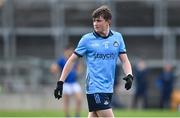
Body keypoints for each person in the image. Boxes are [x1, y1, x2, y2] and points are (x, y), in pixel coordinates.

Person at [54, 5, 133, 117]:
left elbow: (125, 60)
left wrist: (129, 75)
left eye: (99, 21)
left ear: (108, 21)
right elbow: (71, 60)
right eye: (94, 21)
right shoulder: (87, 40)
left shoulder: (117, 38)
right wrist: (60, 82)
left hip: (108, 88)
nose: (95, 23)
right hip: (94, 88)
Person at [50, 45, 82, 117]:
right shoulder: (62, 60)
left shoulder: (74, 59)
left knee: (79, 98)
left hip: (74, 82)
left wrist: (78, 72)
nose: (71, 52)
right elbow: (54, 68)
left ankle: (77, 115)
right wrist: (56, 70)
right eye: (70, 50)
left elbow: (79, 68)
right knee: (66, 101)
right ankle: (67, 115)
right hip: (66, 83)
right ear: (66, 50)